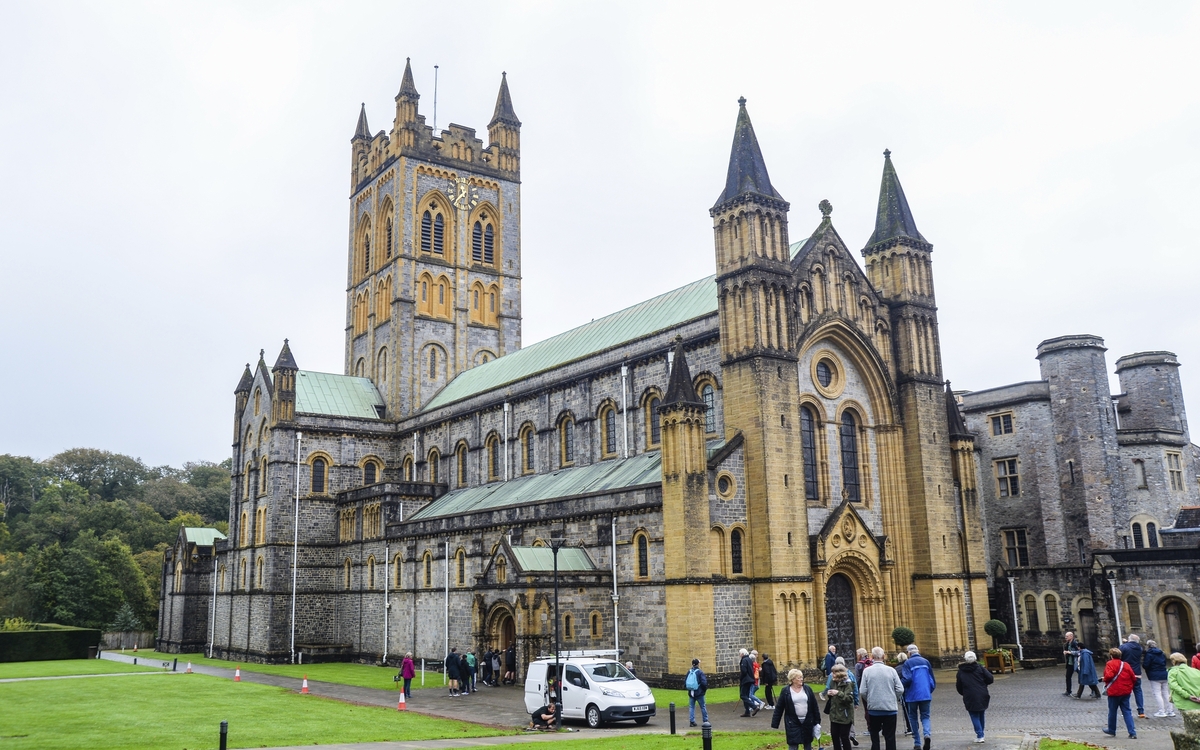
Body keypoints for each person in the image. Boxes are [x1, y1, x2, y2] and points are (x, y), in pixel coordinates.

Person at [859, 646, 904, 750]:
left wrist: (870, 700)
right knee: (890, 738)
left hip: (874, 709)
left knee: (875, 738)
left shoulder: (867, 671)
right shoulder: (891, 670)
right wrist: (893, 698)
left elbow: (862, 691)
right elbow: (900, 689)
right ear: (884, 656)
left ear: (872, 657)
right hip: (890, 709)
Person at [772, 668, 821, 750]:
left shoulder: (807, 689)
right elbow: (779, 708)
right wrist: (775, 723)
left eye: (801, 677)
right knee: (793, 744)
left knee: (807, 743)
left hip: (808, 721)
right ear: (792, 679)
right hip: (792, 722)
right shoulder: (786, 691)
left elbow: (814, 706)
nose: (801, 679)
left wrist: (817, 721)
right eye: (799, 678)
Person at [899, 644, 935, 750]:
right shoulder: (926, 662)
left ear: (909, 653)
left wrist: (900, 686)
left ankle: (917, 743)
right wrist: (929, 691)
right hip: (925, 694)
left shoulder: (907, 663)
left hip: (912, 695)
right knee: (925, 716)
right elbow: (932, 679)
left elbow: (908, 678)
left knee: (913, 718)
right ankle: (927, 734)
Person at [955, 651, 993, 744]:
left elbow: (959, 685)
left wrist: (963, 693)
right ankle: (981, 734)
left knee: (974, 715)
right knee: (981, 714)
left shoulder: (961, 671)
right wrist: (984, 685)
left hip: (969, 695)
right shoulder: (980, 668)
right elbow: (990, 678)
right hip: (982, 694)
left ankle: (980, 735)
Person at [1102, 646, 1137, 739]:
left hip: (1114, 691)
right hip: (1125, 691)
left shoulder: (1110, 663)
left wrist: (1104, 679)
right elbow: (1133, 677)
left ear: (1111, 656)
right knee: (1127, 711)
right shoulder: (1125, 664)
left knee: (1112, 711)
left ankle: (1111, 730)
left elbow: (1109, 675)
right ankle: (1132, 732)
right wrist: (1129, 686)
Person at [825, 656, 860, 747]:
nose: (832, 674)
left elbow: (849, 699)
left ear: (839, 673)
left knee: (844, 737)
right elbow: (833, 698)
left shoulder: (848, 684)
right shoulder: (833, 682)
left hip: (845, 716)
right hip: (834, 715)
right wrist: (829, 694)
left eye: (833, 673)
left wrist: (838, 693)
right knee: (835, 737)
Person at [1143, 639, 1173, 717]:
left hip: (1154, 675)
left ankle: (1161, 711)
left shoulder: (1149, 654)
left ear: (1148, 646)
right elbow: (1165, 663)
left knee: (1157, 693)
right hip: (1164, 673)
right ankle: (1170, 710)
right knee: (1166, 693)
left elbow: (1146, 665)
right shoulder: (1161, 653)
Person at [1120, 633, 1146, 718]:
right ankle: (1141, 711)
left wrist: (1124, 643)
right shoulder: (1139, 648)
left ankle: (1126, 711)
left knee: (1125, 692)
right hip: (1137, 673)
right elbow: (1133, 645)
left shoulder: (1123, 647)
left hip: (1126, 673)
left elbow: (1119, 655)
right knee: (1138, 691)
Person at [686, 657, 710, 727]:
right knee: (702, 706)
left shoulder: (689, 672)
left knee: (691, 707)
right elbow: (704, 683)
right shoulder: (700, 672)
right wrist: (704, 690)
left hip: (691, 692)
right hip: (699, 693)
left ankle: (692, 721)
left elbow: (685, 682)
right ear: (697, 664)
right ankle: (705, 720)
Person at [739, 648, 759, 717]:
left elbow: (744, 671)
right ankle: (747, 711)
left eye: (740, 654)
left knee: (742, 695)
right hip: (750, 679)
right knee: (746, 696)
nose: (739, 655)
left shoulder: (744, 660)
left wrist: (741, 678)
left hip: (746, 680)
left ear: (742, 654)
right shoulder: (749, 659)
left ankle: (754, 707)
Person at [1062, 631, 1080, 696]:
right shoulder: (1067, 644)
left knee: (1083, 676)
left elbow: (1079, 652)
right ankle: (1068, 691)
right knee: (1068, 677)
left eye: (1067, 636)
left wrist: (1070, 652)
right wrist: (1066, 652)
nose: (1065, 637)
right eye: (1065, 636)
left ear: (1071, 636)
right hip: (1070, 663)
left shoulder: (1075, 643)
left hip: (1076, 663)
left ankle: (1094, 690)